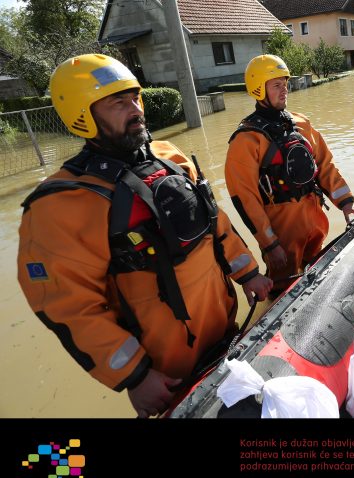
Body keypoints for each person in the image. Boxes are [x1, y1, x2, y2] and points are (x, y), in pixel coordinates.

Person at [16, 54, 273, 418]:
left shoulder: (168, 155)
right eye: (117, 102)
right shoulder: (60, 204)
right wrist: (134, 376)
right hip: (166, 372)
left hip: (226, 332)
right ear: (82, 114)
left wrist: (248, 273)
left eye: (135, 97)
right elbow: (68, 306)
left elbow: (215, 222)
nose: (135, 108)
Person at [226, 54, 354, 297]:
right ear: (259, 89)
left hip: (314, 224)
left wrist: (346, 204)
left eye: (285, 84)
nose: (284, 91)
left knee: (318, 279)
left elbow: (325, 166)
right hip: (282, 236)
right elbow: (245, 200)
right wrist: (270, 244)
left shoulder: (301, 123)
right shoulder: (246, 140)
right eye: (276, 85)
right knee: (282, 293)